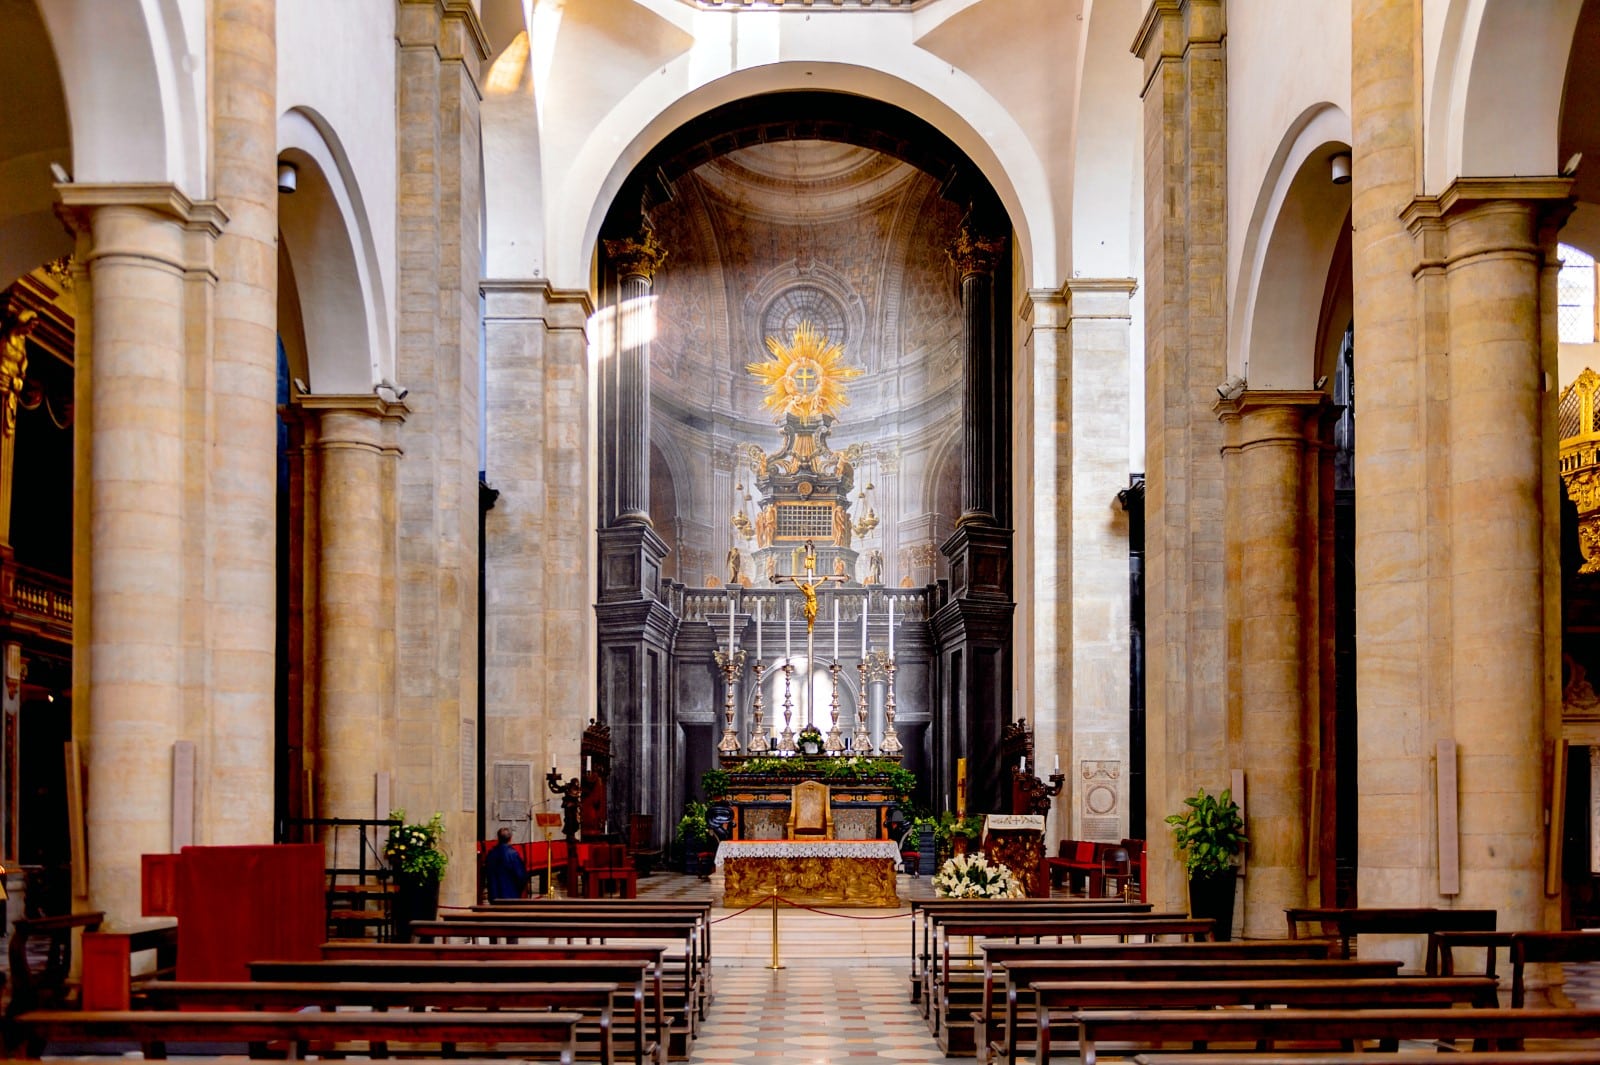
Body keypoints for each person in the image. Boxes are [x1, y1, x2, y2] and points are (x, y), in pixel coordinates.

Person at [483, 826, 528, 900]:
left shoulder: (491, 854)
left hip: (494, 896)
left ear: (498, 838)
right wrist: (518, 890)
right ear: (510, 838)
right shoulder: (513, 855)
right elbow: (521, 876)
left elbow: (487, 874)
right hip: (511, 896)